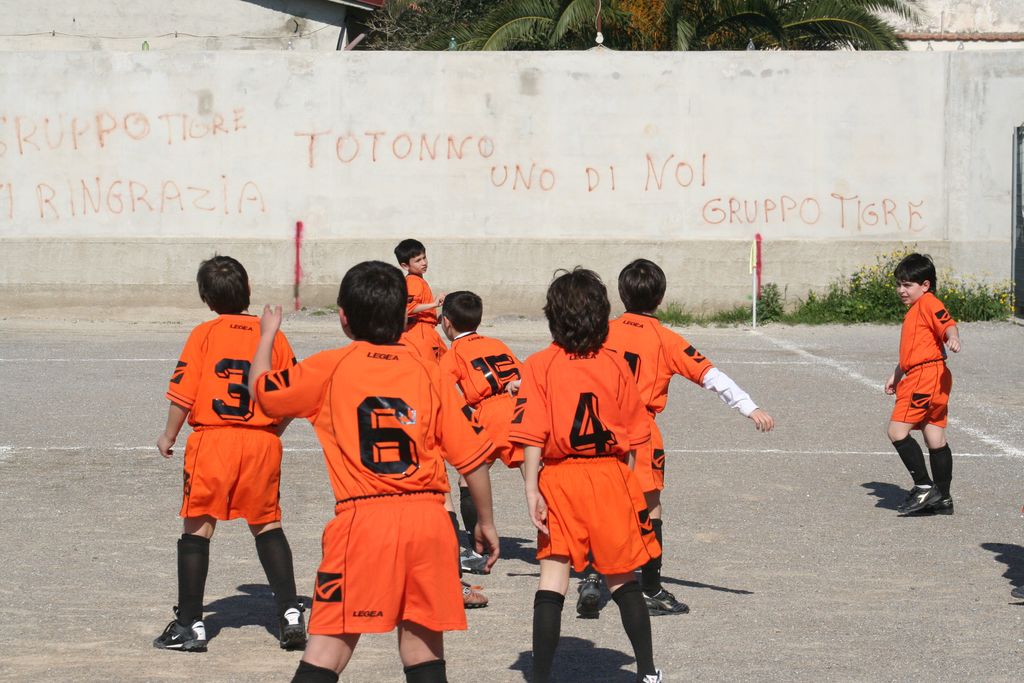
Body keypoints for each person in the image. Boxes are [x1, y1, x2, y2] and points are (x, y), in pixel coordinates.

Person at [248, 260, 500, 683]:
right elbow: (471, 459)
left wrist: (267, 336)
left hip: (364, 520)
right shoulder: (431, 371)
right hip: (428, 521)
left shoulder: (330, 366)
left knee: (328, 648)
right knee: (423, 649)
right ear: (404, 316)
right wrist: (486, 521)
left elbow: (262, 391)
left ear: (343, 317)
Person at [575, 258, 774, 618]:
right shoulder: (665, 339)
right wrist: (749, 406)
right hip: (639, 430)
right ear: (661, 298)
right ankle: (650, 587)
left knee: (599, 503)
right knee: (649, 507)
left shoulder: (601, 331)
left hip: (598, 426)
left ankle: (590, 577)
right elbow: (710, 376)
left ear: (621, 294)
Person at [511, 267, 663, 683]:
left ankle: (540, 676)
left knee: (553, 576)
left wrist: (531, 488)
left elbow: (531, 434)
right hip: (610, 473)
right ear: (601, 315)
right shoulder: (616, 364)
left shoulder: (539, 364)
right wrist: (623, 482)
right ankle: (647, 672)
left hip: (560, 477)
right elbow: (634, 437)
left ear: (553, 316)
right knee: (622, 576)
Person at [153, 255, 304, 653]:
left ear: (206, 298)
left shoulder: (204, 333)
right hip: (260, 443)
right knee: (267, 525)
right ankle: (291, 612)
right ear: (248, 290)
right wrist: (272, 431)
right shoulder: (272, 335)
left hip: (213, 441)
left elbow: (183, 394)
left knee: (197, 528)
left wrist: (168, 434)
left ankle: (190, 624)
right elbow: (293, 395)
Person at [438, 290, 524, 575]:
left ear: (446, 322)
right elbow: (524, 375)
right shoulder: (496, 343)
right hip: (518, 411)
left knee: (468, 479)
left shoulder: (454, 353)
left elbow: (441, 390)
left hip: (487, 414)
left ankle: (477, 552)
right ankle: (564, 542)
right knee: (537, 482)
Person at [885, 253, 960, 515]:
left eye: (907, 285)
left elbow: (947, 323)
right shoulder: (916, 309)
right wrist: (897, 374)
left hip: (924, 378)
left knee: (897, 431)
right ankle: (943, 498)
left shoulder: (928, 303)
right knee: (934, 436)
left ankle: (924, 486)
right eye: (899, 284)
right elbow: (915, 351)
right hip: (932, 375)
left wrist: (953, 337)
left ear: (925, 285)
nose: (901, 290)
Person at [395, 238, 447, 363]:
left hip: (424, 330)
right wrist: (434, 304)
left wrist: (434, 318)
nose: (424, 263)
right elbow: (408, 308)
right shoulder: (413, 281)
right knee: (432, 368)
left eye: (424, 258)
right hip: (420, 334)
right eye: (418, 260)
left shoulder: (416, 280)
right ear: (405, 266)